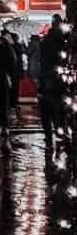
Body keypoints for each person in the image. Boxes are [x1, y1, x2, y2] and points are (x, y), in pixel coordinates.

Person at [39, 13, 67, 152]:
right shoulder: (63, 39)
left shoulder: (48, 39)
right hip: (56, 79)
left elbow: (42, 59)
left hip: (49, 78)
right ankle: (58, 133)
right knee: (57, 109)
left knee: (48, 109)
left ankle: (51, 135)